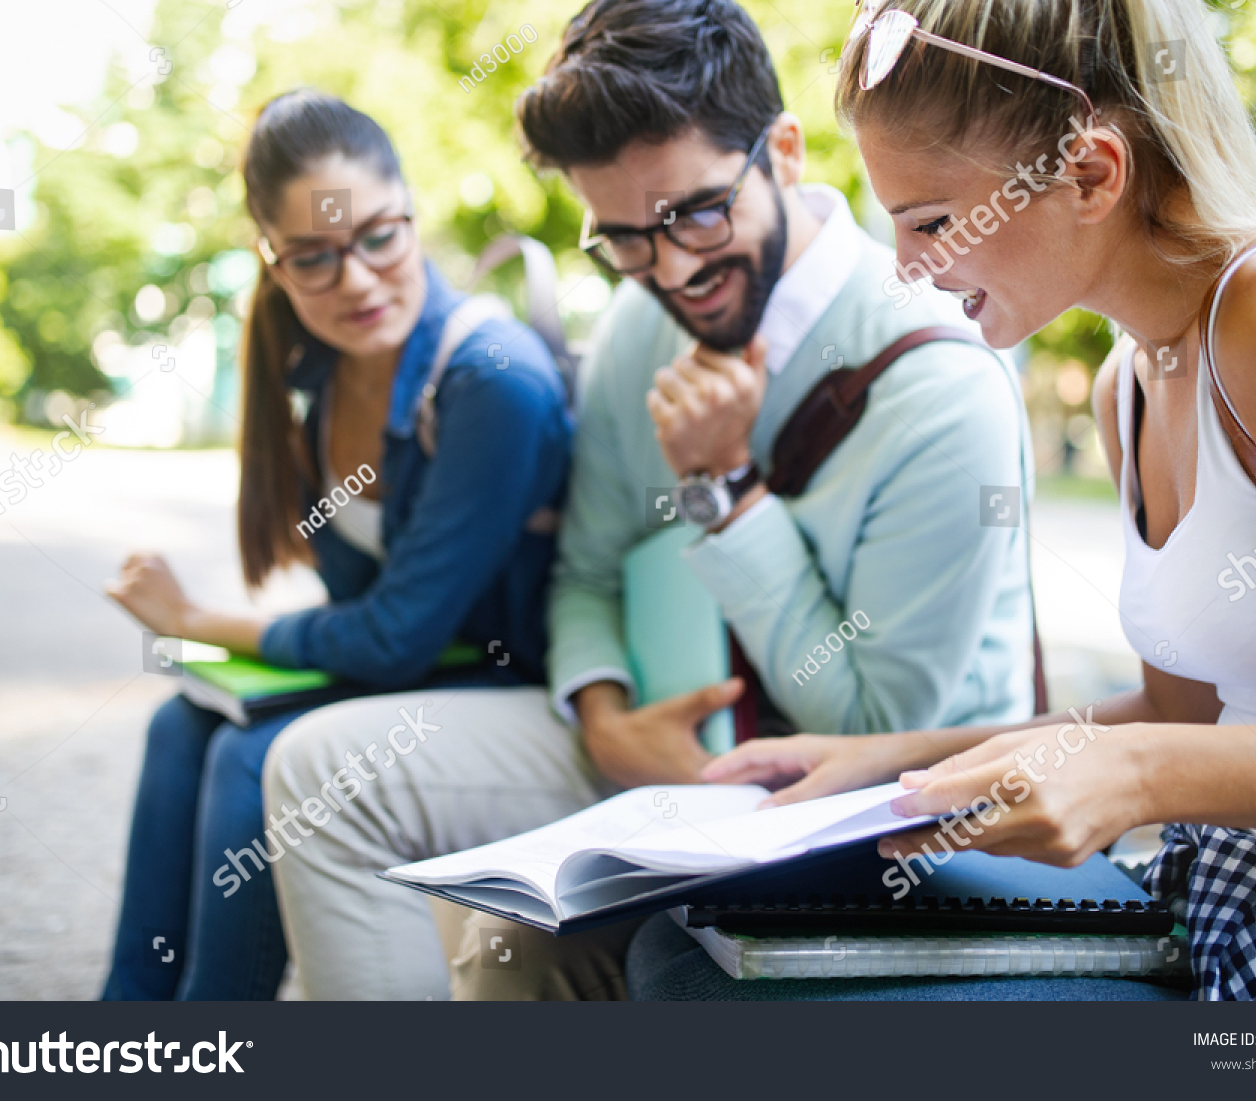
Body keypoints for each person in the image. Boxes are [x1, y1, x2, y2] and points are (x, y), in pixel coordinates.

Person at [629, 0, 1256, 1002]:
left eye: (934, 223)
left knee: (735, 999)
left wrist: (1140, 782)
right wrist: (895, 760)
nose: (908, 270)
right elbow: (1183, 715)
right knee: (688, 943)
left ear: (1090, 173)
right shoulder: (1134, 378)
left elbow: (1164, 754)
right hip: (1236, 899)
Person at [263, 0, 1037, 1001]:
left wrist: (723, 491)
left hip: (874, 803)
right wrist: (601, 711)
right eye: (625, 238)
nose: (672, 269)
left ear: (785, 153)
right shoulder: (642, 320)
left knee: (519, 954)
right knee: (318, 773)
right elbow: (586, 569)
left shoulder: (942, 382)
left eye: (697, 212)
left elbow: (869, 718)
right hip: (666, 753)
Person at [100, 89, 572, 1000]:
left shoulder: (491, 380)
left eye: (378, 236)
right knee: (182, 723)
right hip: (434, 669)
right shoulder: (317, 374)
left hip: (519, 688)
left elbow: (394, 635)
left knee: (250, 757)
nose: (355, 279)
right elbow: (367, 619)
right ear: (272, 263)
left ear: (413, 215)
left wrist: (198, 620)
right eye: (313, 257)